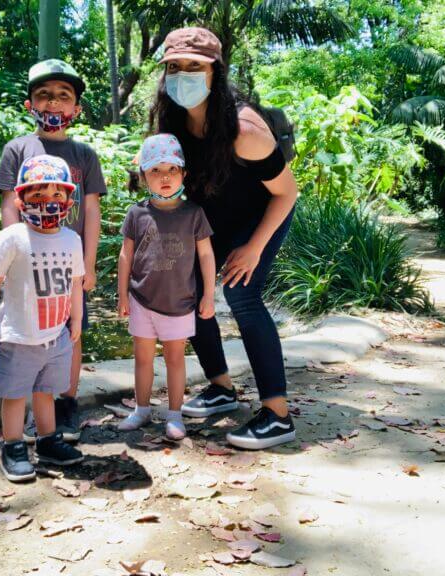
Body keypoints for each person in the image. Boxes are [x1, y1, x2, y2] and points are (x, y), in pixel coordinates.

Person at [150, 27, 300, 450]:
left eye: (194, 67)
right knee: (188, 291)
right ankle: (220, 388)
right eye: (174, 67)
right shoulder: (173, 123)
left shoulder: (245, 129)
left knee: (243, 295)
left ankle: (277, 414)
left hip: (263, 216)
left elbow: (287, 192)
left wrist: (252, 248)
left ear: (216, 72)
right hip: (216, 219)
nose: (182, 75)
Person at [0, 59, 107, 442]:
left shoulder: (84, 155)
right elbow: (10, 203)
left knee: (72, 332)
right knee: (23, 334)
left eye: (63, 96)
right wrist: (13, 256)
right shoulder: (17, 148)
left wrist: (87, 264)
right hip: (28, 265)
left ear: (75, 109)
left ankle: (67, 403)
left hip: (67, 264)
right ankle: (22, 411)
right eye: (43, 95)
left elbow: (91, 210)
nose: (53, 104)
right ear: (29, 105)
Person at [0, 155, 85, 482]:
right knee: (15, 394)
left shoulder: (72, 239)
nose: (48, 203)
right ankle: (13, 446)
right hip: (18, 337)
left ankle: (48, 440)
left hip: (56, 335)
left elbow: (75, 283)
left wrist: (76, 319)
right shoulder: (13, 237)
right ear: (20, 199)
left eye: (56, 196)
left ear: (68, 199)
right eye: (38, 196)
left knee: (46, 391)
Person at [116, 134, 216, 440]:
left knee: (175, 358)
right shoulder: (137, 213)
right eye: (155, 171)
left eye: (171, 170)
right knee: (142, 357)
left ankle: (174, 415)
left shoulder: (193, 214)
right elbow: (126, 254)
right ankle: (142, 410)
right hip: (141, 298)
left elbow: (206, 255)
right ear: (144, 176)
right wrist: (122, 294)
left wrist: (209, 295)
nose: (164, 178)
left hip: (180, 301)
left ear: (183, 174)